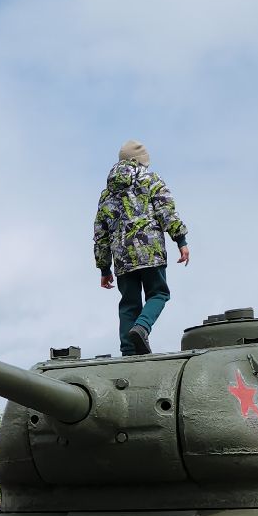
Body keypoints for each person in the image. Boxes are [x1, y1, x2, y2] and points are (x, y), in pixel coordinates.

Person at [94, 139, 189, 355]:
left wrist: (104, 269)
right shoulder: (151, 180)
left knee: (129, 304)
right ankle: (142, 327)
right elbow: (167, 213)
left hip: (122, 258)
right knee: (159, 293)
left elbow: (100, 233)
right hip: (150, 252)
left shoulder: (107, 193)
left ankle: (128, 351)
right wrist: (181, 241)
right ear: (141, 161)